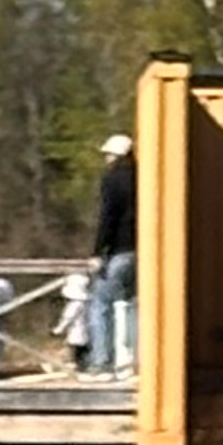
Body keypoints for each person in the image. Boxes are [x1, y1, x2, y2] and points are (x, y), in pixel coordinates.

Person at [87, 135, 136, 375]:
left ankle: (101, 362)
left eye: (108, 154)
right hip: (144, 251)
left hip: (120, 249)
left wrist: (98, 251)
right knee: (136, 305)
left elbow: (108, 217)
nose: (105, 158)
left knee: (100, 304)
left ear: (117, 156)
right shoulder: (145, 177)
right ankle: (139, 364)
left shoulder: (113, 180)